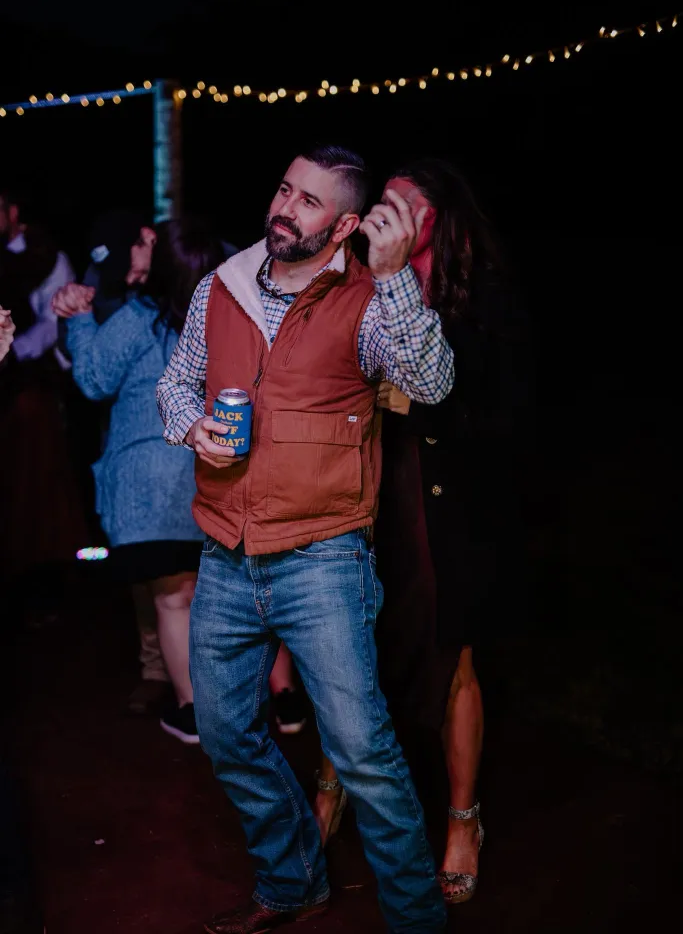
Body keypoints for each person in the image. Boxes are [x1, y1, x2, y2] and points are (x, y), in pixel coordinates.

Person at [156, 144, 453, 934]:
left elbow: (430, 383)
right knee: (225, 738)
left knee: (363, 757)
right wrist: (189, 427)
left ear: (346, 224)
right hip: (223, 556)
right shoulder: (221, 286)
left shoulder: (367, 299)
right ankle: (292, 884)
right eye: (285, 189)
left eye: (310, 202)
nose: (285, 207)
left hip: (322, 559)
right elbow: (175, 380)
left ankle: (416, 920)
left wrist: (392, 275)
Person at [315, 158, 532, 906]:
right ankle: (329, 786)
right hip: (365, 494)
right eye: (383, 202)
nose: (387, 216)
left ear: (440, 220)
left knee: (452, 661)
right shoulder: (355, 282)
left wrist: (418, 401)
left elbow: (504, 416)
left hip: (448, 511)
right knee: (345, 650)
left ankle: (462, 819)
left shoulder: (483, 302)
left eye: (406, 206)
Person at [52, 218, 227, 744]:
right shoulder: (222, 316)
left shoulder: (140, 317)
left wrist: (80, 320)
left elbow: (91, 379)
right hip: (208, 477)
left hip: (149, 488)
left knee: (173, 599)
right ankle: (233, 708)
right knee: (211, 597)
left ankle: (194, 712)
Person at [0, 191, 87, 603]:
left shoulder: (47, 255)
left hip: (31, 383)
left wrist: (12, 354)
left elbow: (53, 322)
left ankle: (44, 578)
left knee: (38, 482)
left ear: (12, 212)